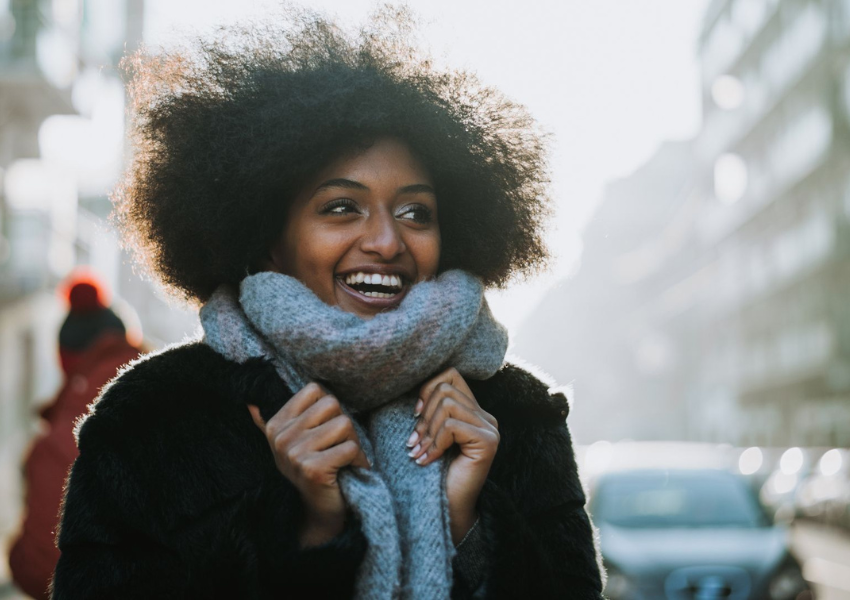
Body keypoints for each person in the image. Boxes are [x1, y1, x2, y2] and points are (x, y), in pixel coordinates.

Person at [52, 9, 603, 599]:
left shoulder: (516, 418)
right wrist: (306, 533)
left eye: (417, 212)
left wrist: (469, 524)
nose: (388, 241)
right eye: (342, 207)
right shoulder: (152, 421)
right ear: (269, 238)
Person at [9, 273, 140, 599]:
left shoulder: (55, 443)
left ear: (66, 361)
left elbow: (40, 568)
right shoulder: (176, 394)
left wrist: (13, 553)